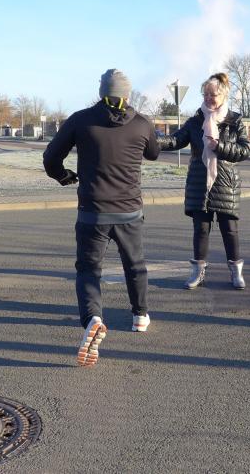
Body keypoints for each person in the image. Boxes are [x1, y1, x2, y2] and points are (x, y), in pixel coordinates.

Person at [43, 68, 160, 367]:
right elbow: (154, 154)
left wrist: (64, 176)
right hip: (129, 210)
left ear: (101, 92)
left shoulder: (80, 120)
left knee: (88, 269)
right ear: (127, 94)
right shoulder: (142, 123)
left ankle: (93, 318)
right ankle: (140, 316)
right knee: (135, 264)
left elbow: (50, 157)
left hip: (93, 211)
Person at [158, 73, 250, 290]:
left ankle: (236, 272)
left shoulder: (235, 121)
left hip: (226, 183)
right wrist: (151, 139)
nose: (209, 98)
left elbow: (244, 150)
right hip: (200, 183)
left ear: (224, 95)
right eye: (206, 94)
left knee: (229, 230)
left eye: (213, 94)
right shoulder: (195, 121)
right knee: (200, 229)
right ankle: (198, 272)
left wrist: (220, 146)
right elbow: (175, 140)